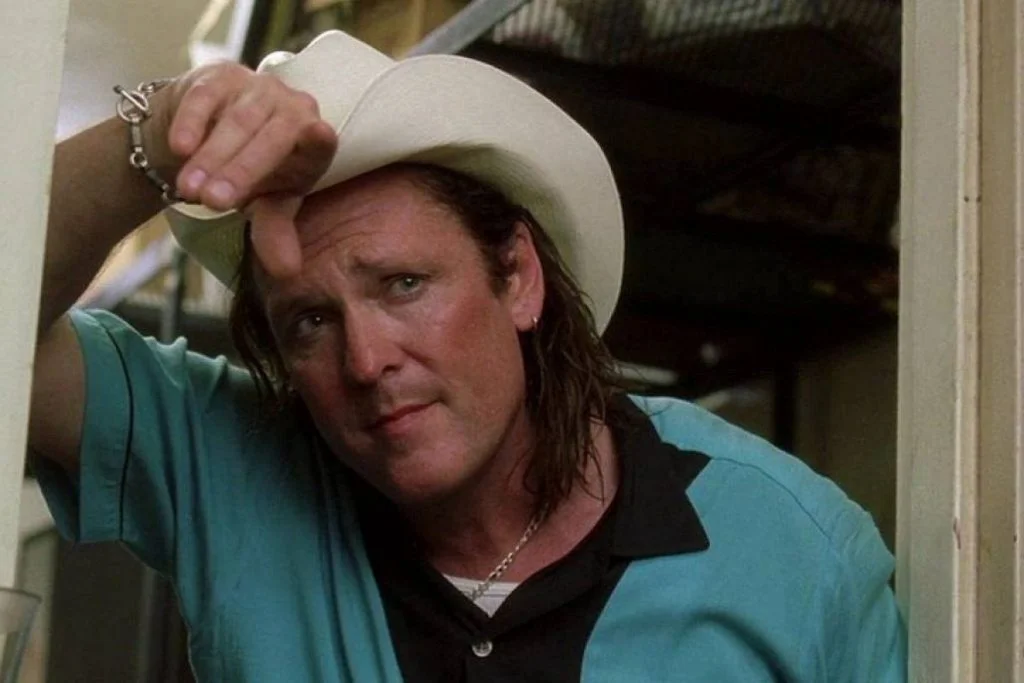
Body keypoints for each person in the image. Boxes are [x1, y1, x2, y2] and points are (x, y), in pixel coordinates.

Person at [29, 30, 906, 682]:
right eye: (310, 322)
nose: (367, 360)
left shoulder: (798, 549)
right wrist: (156, 136)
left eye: (404, 284)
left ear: (517, 276)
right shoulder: (231, 470)